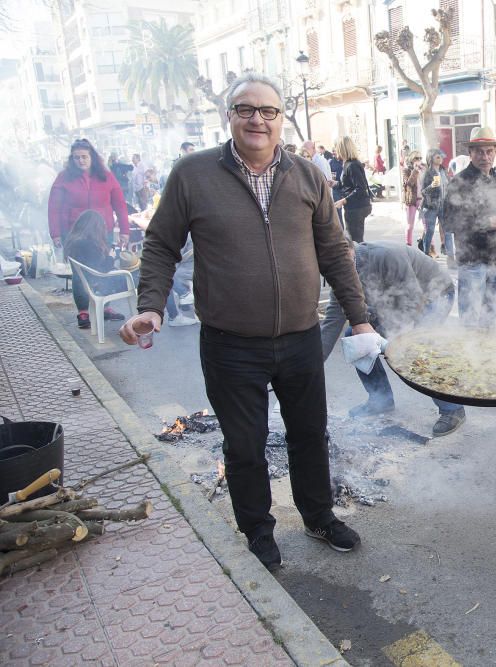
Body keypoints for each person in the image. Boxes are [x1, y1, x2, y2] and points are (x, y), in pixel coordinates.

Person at [119, 72, 374, 571]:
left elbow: (336, 252)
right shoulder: (192, 174)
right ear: (229, 116)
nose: (257, 119)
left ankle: (319, 517)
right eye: (245, 109)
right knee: (244, 446)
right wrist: (151, 305)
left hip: (300, 337)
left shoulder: (306, 175)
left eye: (268, 111)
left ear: (281, 120)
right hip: (231, 344)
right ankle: (258, 531)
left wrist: (360, 320)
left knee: (308, 434)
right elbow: (160, 244)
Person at [320, 241, 466, 436]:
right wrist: (312, 364)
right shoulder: (342, 273)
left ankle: (452, 409)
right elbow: (333, 320)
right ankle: (380, 400)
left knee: (415, 349)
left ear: (347, 251)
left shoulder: (386, 256)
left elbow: (413, 301)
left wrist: (397, 342)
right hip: (394, 304)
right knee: (355, 337)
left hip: (433, 296)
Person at [440, 127, 496, 327]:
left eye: (489, 151)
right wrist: (486, 223)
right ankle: (469, 358)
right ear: (470, 153)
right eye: (479, 151)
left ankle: (489, 358)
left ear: (495, 152)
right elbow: (450, 221)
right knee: (470, 320)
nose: (484, 156)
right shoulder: (459, 181)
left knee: (493, 318)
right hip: (472, 262)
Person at [48, 138, 129, 252]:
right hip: (74, 234)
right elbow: (54, 208)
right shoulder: (63, 177)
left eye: (84, 157)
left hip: (103, 233)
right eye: (77, 157)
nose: (81, 160)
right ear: (72, 159)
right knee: (78, 268)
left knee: (103, 267)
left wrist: (124, 230)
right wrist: (55, 234)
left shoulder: (106, 176)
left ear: (92, 157)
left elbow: (120, 206)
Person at [63, 210, 128, 329]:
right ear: (94, 228)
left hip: (85, 282)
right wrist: (111, 257)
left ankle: (88, 312)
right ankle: (105, 308)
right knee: (134, 277)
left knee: (79, 276)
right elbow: (101, 270)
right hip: (97, 282)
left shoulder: (73, 241)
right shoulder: (90, 245)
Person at [334, 136, 373, 242]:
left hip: (356, 207)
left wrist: (344, 200)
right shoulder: (349, 164)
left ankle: (360, 258)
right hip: (355, 206)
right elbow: (348, 184)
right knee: (355, 239)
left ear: (342, 149)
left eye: (337, 148)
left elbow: (360, 188)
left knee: (356, 240)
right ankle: (359, 257)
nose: (335, 151)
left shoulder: (352, 165)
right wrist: (335, 184)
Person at [421, 149, 451, 260]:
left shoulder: (443, 171)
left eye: (441, 156)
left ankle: (449, 254)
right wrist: (432, 186)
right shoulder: (428, 173)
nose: (440, 157)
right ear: (431, 158)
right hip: (431, 206)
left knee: (447, 229)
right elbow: (423, 192)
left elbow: (448, 187)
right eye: (437, 156)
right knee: (430, 230)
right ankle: (426, 252)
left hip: (443, 205)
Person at [402, 151, 424, 247]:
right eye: (416, 158)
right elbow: (409, 184)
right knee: (410, 225)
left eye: (420, 158)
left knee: (427, 225)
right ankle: (408, 244)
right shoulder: (406, 171)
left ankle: (428, 246)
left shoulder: (423, 168)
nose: (418, 160)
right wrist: (415, 171)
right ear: (411, 160)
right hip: (412, 200)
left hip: (423, 199)